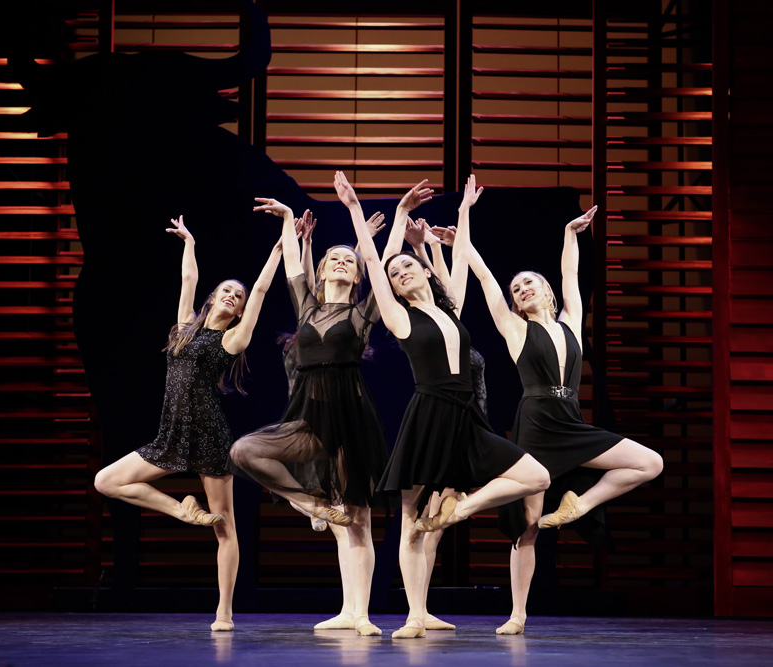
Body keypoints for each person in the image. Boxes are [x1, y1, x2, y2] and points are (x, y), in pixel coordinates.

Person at [337, 171, 551, 638]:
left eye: (407, 267)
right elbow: (371, 259)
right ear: (393, 288)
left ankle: (459, 509)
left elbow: (458, 258)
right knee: (411, 521)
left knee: (537, 476)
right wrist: (355, 209)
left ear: (423, 272)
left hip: (467, 415)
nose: (402, 272)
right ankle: (415, 615)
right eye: (395, 274)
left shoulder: (450, 307)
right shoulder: (399, 317)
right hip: (429, 413)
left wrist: (464, 211)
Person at [464, 204, 664, 635]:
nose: (521, 289)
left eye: (529, 283)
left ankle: (580, 505)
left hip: (571, 422)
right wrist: (463, 237)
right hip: (536, 425)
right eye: (517, 288)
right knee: (528, 528)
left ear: (546, 291)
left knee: (650, 462)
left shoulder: (571, 322)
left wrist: (571, 235)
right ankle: (517, 615)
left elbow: (570, 275)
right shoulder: (516, 330)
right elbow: (485, 279)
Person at [94, 214, 284, 632]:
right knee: (106, 481)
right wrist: (190, 243)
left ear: (239, 311)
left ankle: (224, 612)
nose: (233, 296)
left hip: (210, 434)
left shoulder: (232, 339)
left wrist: (277, 251)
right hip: (171, 434)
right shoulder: (183, 330)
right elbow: (188, 279)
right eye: (226, 291)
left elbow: (261, 290)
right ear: (212, 300)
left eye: (237, 295)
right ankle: (182, 510)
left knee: (225, 526)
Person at [229, 197, 392, 637]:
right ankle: (313, 505)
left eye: (348, 260)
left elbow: (381, 269)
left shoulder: (362, 313)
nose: (341, 262)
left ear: (357, 275)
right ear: (321, 272)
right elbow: (292, 270)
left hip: (352, 420)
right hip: (310, 420)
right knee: (244, 451)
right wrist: (287, 220)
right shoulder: (306, 307)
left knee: (357, 520)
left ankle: (358, 613)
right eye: (333, 258)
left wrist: (372, 238)